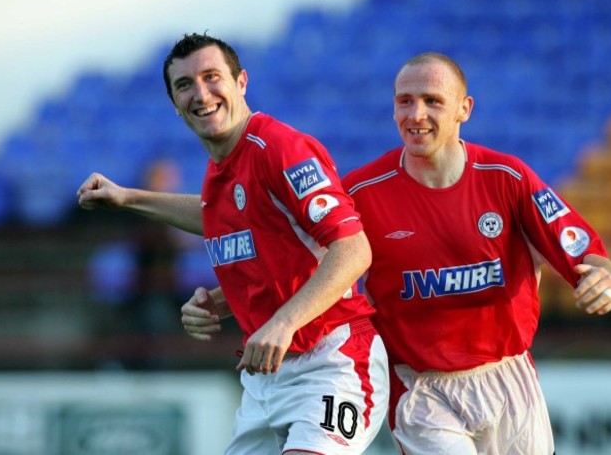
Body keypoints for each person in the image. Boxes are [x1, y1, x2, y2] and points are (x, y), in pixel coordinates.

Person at [77, 32, 389, 454]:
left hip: (332, 360)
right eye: (185, 85)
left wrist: (283, 321)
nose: (201, 93)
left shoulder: (279, 149)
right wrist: (129, 198)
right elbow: (217, 217)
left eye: (211, 77)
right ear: (174, 103)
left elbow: (354, 249)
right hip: (266, 380)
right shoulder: (222, 167)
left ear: (241, 81)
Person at [339, 53, 611, 454]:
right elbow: (315, 267)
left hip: (509, 379)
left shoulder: (508, 178)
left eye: (432, 101)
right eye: (404, 101)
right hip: (420, 387)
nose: (415, 113)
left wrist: (606, 279)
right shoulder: (360, 193)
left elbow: (590, 257)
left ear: (464, 109)